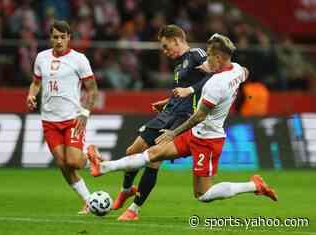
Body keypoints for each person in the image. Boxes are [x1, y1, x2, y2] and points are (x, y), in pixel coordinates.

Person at [87, 33, 277, 214]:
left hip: (209, 140)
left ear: (219, 57)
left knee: (203, 195)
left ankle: (254, 185)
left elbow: (199, 116)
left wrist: (172, 133)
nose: (207, 59)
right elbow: (246, 72)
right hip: (195, 133)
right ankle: (103, 167)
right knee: (151, 155)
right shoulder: (236, 69)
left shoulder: (216, 84)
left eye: (210, 55)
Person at [104, 24, 210, 221]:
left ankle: (134, 209)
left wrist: (191, 91)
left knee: (154, 160)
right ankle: (126, 190)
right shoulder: (179, 64)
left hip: (183, 117)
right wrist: (168, 101)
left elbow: (214, 77)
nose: (164, 51)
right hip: (169, 112)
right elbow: (181, 91)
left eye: (165, 46)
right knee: (132, 151)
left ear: (177, 40)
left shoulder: (197, 54)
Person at [26, 20, 98, 214]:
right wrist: (31, 94)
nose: (58, 41)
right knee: (62, 163)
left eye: (62, 37)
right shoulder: (41, 58)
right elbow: (35, 82)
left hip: (72, 117)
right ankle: (88, 201)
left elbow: (92, 90)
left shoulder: (79, 59)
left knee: (73, 161)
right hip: (49, 120)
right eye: (55, 37)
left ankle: (91, 156)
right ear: (50, 38)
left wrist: (85, 113)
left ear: (69, 38)